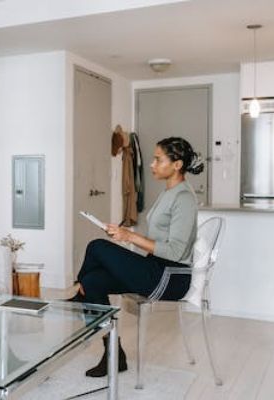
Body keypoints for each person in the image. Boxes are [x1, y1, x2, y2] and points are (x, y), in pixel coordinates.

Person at [73, 137, 204, 378]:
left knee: (97, 247)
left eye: (158, 159)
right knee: (92, 282)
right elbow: (158, 240)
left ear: (177, 165)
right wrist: (126, 234)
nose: (152, 164)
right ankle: (114, 354)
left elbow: (175, 252)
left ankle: (77, 297)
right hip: (155, 267)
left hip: (171, 278)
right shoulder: (169, 192)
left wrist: (130, 237)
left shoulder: (184, 198)